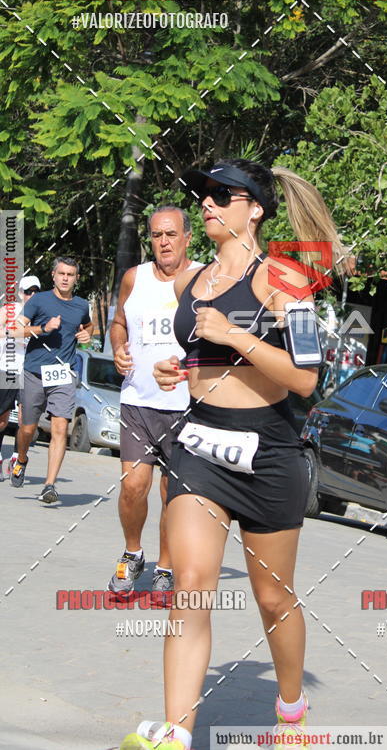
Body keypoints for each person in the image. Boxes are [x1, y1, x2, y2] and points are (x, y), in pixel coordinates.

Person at [117, 159, 345, 750]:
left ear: (256, 209)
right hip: (199, 447)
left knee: (272, 596)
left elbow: (304, 379)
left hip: (268, 453)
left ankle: (290, 710)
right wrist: (182, 367)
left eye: (223, 194)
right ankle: (175, 733)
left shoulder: (285, 279)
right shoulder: (191, 284)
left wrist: (233, 335)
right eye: (204, 195)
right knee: (191, 583)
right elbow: (210, 360)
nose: (208, 204)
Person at [108, 206, 201, 596]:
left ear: (187, 238)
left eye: (171, 234)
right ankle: (132, 554)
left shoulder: (203, 279)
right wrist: (116, 347)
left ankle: (165, 567)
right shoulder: (135, 278)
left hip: (185, 407)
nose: (164, 242)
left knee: (171, 495)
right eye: (157, 235)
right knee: (133, 485)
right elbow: (118, 323)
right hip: (138, 402)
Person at [11, 258, 92, 502]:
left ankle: (49, 485)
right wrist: (43, 328)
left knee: (60, 428)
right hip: (34, 372)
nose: (66, 278)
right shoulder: (39, 300)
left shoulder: (81, 304)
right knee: (28, 429)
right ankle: (22, 458)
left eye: (71, 274)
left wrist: (87, 332)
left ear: (76, 278)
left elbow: (88, 324)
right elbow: (14, 330)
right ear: (53, 275)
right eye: (62, 273)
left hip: (63, 375)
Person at [0, 276, 41, 480]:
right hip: (7, 369)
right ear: (20, 293)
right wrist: (15, 332)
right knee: (2, 419)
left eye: (35, 292)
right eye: (27, 292)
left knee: (27, 421)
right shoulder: (9, 310)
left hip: (30, 371)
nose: (31, 296)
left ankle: (17, 459)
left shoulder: (43, 312)